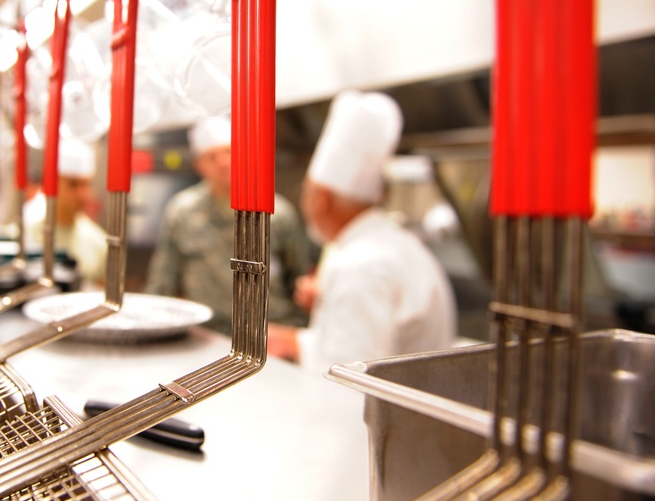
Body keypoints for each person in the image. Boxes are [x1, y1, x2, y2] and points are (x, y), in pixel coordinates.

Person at [267, 90, 456, 374]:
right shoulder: (387, 243)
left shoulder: (361, 266)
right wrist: (296, 341)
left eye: (305, 192)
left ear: (322, 201)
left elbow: (348, 381)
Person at [145, 115, 311, 335]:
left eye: (229, 152)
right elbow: (162, 282)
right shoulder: (182, 212)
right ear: (199, 165)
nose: (223, 162)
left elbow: (299, 281)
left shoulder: (276, 212)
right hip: (209, 334)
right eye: (212, 157)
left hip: (271, 334)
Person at [24, 138, 108, 287]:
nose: (83, 195)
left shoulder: (99, 242)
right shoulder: (23, 233)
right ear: (50, 183)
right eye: (73, 184)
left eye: (86, 185)